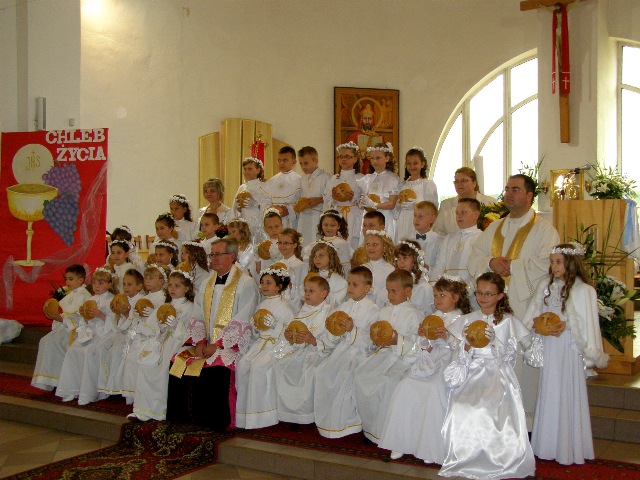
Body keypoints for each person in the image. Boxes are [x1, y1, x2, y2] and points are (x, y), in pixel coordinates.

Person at [469, 173, 560, 428]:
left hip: (523, 307)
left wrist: (514, 266)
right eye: (507, 188)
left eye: (516, 189)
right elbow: (474, 256)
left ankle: (525, 425)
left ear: (530, 195)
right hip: (492, 308)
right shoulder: (495, 227)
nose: (509, 193)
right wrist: (490, 262)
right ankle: (491, 422)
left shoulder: (545, 230)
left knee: (521, 368)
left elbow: (549, 263)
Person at [440, 272, 536, 479]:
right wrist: (466, 345)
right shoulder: (467, 319)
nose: (482, 298)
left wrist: (494, 342)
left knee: (490, 409)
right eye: (479, 293)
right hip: (471, 370)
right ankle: (466, 457)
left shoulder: (508, 321)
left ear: (500, 296)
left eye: (488, 294)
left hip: (497, 373)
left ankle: (498, 459)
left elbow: (510, 355)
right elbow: (456, 348)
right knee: (463, 406)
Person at [522, 243, 609, 465]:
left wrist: (566, 325)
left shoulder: (584, 290)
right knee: (549, 390)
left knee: (567, 391)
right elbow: (534, 314)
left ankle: (570, 447)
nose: (554, 266)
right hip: (550, 346)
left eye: (558, 262)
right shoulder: (545, 286)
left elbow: (586, 323)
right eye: (552, 262)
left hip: (568, 348)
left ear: (571, 263)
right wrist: (537, 324)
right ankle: (547, 445)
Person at [167, 237, 258, 431]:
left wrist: (217, 345)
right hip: (206, 343)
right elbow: (197, 314)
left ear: (231, 256)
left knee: (218, 367)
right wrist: (199, 342)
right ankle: (185, 417)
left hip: (231, 345)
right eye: (212, 255)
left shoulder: (245, 283)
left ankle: (217, 421)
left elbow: (243, 319)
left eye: (218, 254)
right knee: (177, 361)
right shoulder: (207, 283)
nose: (213, 259)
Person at [379, 275, 471, 463]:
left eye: (442, 296)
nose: (437, 300)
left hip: (450, 361)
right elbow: (422, 346)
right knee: (406, 384)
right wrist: (424, 337)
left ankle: (429, 446)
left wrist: (448, 337)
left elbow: (464, 348)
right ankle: (401, 441)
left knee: (434, 388)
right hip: (431, 358)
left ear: (455, 298)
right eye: (435, 295)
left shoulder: (463, 320)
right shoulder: (432, 317)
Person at [354, 269, 421, 443]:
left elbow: (418, 343)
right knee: (362, 376)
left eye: (394, 291)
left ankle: (385, 431)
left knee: (387, 382)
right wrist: (377, 340)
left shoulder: (414, 314)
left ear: (408, 291)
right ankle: (370, 428)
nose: (389, 295)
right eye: (388, 290)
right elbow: (375, 334)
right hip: (383, 355)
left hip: (402, 359)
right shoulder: (383, 312)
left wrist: (398, 340)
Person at [314, 266, 379, 438]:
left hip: (360, 353)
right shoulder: (343, 306)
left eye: (355, 285)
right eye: (349, 283)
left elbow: (371, 340)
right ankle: (330, 420)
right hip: (342, 350)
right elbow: (333, 335)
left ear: (367, 288)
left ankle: (349, 423)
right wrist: (332, 328)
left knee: (345, 375)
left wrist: (352, 330)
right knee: (323, 373)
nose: (350, 287)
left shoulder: (373, 310)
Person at [129, 270, 195, 421]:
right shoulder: (165, 305)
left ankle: (159, 410)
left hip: (177, 345)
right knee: (145, 367)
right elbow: (149, 327)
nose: (172, 289)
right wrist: (154, 323)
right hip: (160, 342)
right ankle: (143, 409)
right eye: (170, 285)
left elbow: (191, 332)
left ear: (187, 288)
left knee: (163, 368)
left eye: (177, 286)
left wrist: (176, 326)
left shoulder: (190, 307)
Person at [236, 265, 295, 429]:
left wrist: (275, 325)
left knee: (258, 367)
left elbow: (290, 332)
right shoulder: (261, 304)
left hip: (279, 345)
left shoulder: (284, 306)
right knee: (242, 365)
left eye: (269, 283)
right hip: (261, 343)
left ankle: (262, 414)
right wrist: (256, 326)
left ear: (279, 286)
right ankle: (244, 413)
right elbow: (257, 332)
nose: (264, 286)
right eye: (262, 282)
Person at [274, 275, 332, 426]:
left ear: (324, 293)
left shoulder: (329, 312)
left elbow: (331, 340)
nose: (307, 294)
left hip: (318, 352)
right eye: (306, 290)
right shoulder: (303, 310)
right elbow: (295, 331)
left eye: (311, 291)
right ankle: (290, 414)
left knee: (308, 371)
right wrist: (290, 336)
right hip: (300, 351)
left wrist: (313, 340)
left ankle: (305, 414)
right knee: (282, 366)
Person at [55, 266, 117, 404]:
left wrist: (101, 315)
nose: (96, 286)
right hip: (90, 333)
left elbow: (116, 322)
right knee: (73, 350)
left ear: (109, 284)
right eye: (94, 282)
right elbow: (83, 320)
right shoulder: (91, 299)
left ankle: (88, 393)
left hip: (104, 334)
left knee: (89, 352)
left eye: (101, 283)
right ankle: (72, 389)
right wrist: (85, 322)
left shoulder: (112, 300)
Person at [32, 264, 92, 391]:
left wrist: (61, 318)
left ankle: (59, 380)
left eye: (71, 279)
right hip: (65, 327)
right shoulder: (71, 295)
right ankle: (51, 379)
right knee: (45, 341)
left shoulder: (85, 296)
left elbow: (82, 319)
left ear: (81, 280)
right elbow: (66, 313)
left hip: (76, 331)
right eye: (67, 279)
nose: (67, 282)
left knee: (53, 342)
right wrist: (56, 317)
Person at [120, 264, 171, 404]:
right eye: (146, 277)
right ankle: (131, 393)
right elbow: (133, 317)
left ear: (161, 281)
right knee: (130, 357)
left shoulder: (163, 298)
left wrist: (152, 314)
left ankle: (141, 395)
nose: (147, 280)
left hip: (152, 336)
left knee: (139, 357)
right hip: (140, 334)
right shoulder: (144, 297)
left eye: (151, 278)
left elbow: (162, 318)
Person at [97, 268, 144, 397]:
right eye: (124, 284)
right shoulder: (122, 299)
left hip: (134, 336)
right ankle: (106, 387)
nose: (126, 287)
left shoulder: (141, 301)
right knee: (102, 347)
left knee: (116, 351)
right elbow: (117, 325)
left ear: (139, 286)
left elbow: (138, 324)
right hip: (121, 333)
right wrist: (118, 314)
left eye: (130, 284)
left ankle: (117, 388)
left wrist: (126, 313)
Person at [430, 198, 482, 286]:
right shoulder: (449, 238)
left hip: (471, 288)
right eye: (457, 213)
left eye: (463, 212)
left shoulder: (482, 238)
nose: (459, 216)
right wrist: (433, 284)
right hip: (448, 288)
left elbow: (481, 268)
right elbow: (439, 264)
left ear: (476, 215)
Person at [323, 141, 364, 251]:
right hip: (337, 215)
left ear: (355, 159)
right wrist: (333, 198)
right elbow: (326, 200)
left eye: (347, 156)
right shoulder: (334, 179)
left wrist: (353, 198)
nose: (343, 159)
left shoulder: (361, 178)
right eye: (341, 157)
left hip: (353, 215)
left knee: (352, 244)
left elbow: (365, 201)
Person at [432, 166, 495, 236]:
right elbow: (437, 230)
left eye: (464, 181)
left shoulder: (489, 202)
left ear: (474, 183)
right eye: (456, 181)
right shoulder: (446, 205)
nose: (459, 184)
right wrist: (451, 240)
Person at [394, 147, 439, 242]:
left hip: (418, 223)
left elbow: (433, 208)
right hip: (402, 222)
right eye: (409, 163)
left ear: (422, 164)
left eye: (415, 163)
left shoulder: (427, 184)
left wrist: (415, 204)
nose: (412, 166)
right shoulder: (401, 185)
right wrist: (397, 206)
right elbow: (395, 213)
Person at [357, 142, 400, 240]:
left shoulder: (392, 178)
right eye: (372, 158)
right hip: (369, 217)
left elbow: (392, 204)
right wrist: (362, 202)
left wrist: (374, 205)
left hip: (385, 216)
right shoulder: (367, 179)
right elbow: (363, 198)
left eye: (378, 158)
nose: (374, 161)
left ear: (387, 158)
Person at [295, 146, 330, 246]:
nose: (303, 167)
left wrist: (320, 199)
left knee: (316, 243)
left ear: (315, 161)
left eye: (306, 163)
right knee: (303, 244)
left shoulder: (326, 177)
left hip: (318, 217)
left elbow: (332, 198)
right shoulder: (302, 179)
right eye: (301, 163)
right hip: (304, 218)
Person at [229, 157, 270, 244]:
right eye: (245, 169)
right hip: (244, 225)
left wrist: (255, 204)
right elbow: (234, 209)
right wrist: (238, 208)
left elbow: (268, 207)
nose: (246, 171)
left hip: (259, 224)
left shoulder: (264, 186)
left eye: (250, 169)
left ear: (258, 170)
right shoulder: (242, 187)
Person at [261, 146, 301, 229]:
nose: (281, 163)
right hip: (274, 223)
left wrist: (288, 210)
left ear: (293, 162)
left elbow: (302, 205)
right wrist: (272, 209)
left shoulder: (300, 181)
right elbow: (263, 202)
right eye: (279, 160)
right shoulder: (271, 181)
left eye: (285, 160)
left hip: (292, 223)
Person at [303, 209, 352, 276]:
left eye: (332, 225)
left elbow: (345, 267)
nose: (328, 228)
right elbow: (307, 265)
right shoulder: (315, 244)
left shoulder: (342, 244)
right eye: (325, 225)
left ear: (338, 226)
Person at [394, 240, 434, 314]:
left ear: (415, 259)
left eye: (405, 258)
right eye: (399, 258)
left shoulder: (424, 288)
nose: (401, 262)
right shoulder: (395, 282)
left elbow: (428, 314)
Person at [304, 241, 348, 307]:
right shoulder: (311, 277)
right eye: (315, 256)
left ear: (331, 257)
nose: (317, 259)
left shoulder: (339, 281)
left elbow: (338, 302)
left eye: (321, 255)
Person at [361, 229, 395, 307]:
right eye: (368, 244)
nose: (370, 247)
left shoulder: (390, 270)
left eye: (375, 244)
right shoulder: (362, 268)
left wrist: (374, 293)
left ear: (384, 248)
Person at [277, 228, 305, 312]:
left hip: (294, 304)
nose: (282, 246)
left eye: (286, 243)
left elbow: (302, 288)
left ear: (295, 245)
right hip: (278, 304)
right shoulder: (276, 265)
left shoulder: (301, 265)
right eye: (280, 243)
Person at [255, 209, 284, 275]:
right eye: (270, 227)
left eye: (276, 226)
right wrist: (257, 258)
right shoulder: (264, 247)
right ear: (265, 229)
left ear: (282, 226)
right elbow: (258, 271)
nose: (274, 230)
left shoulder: (287, 244)